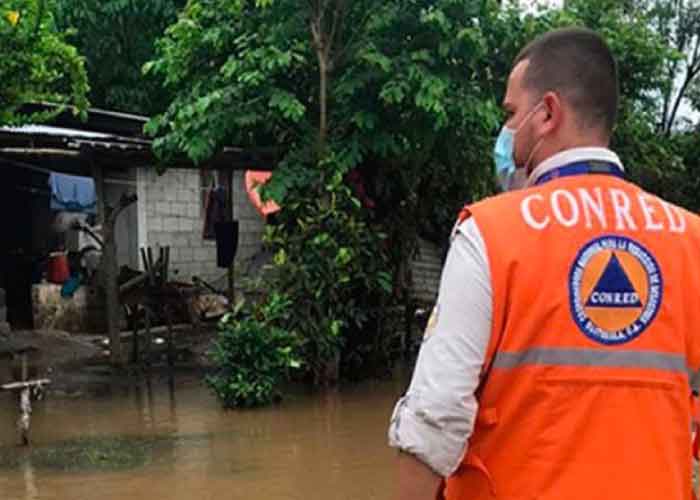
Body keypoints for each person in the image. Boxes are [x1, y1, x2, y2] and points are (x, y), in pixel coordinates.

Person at [388, 27, 700, 500]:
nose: (507, 133)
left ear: (548, 113)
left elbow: (435, 420)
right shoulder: (690, 240)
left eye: (512, 114)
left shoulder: (489, 234)